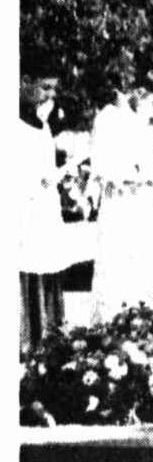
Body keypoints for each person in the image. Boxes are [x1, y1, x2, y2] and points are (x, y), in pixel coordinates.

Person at [88, 81, 153, 323]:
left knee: (149, 267)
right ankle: (115, 327)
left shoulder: (147, 125)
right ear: (138, 94)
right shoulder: (108, 119)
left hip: (144, 205)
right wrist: (134, 176)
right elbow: (102, 167)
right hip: (120, 205)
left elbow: (149, 163)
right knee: (119, 270)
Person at [18, 72, 67, 353]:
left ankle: (49, 343)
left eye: (54, 90)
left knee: (48, 270)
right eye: (44, 87)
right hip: (24, 212)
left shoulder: (43, 126)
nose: (50, 95)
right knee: (27, 273)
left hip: (46, 212)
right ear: (25, 83)